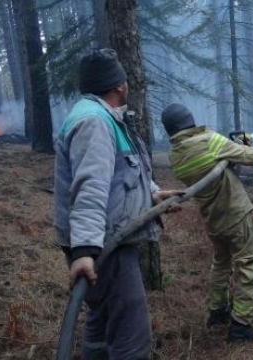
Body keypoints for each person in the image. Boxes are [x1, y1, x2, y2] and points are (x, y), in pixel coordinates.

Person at [54, 48, 177, 359]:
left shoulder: (100, 118)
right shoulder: (95, 122)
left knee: (101, 318)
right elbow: (90, 188)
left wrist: (152, 194)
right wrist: (85, 252)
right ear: (119, 84)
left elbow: (120, 173)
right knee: (131, 335)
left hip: (101, 241)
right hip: (106, 244)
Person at [161, 104, 253, 342]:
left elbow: (211, 167)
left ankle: (218, 312)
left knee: (221, 263)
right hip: (236, 214)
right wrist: (245, 144)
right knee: (248, 265)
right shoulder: (210, 141)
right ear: (191, 120)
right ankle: (241, 324)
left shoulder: (175, 155)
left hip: (213, 220)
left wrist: (228, 155)